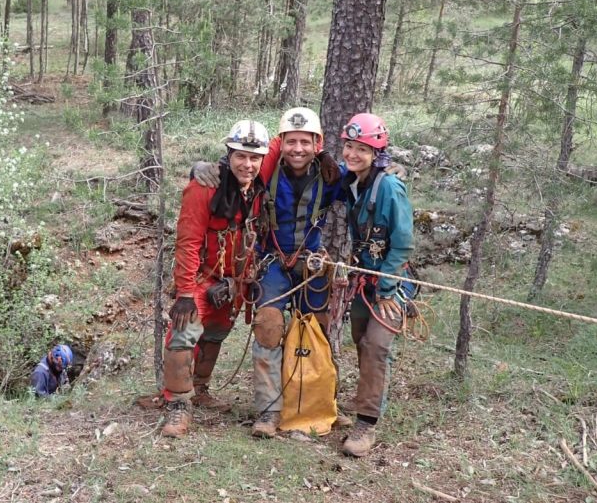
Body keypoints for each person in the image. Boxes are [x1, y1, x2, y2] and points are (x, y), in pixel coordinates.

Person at [195, 107, 346, 438]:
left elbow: (364, 181)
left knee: (316, 331)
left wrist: (386, 167)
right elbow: (237, 167)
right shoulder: (266, 170)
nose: (298, 149)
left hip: (311, 262)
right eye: (291, 141)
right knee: (267, 325)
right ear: (281, 142)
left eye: (305, 142)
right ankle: (269, 411)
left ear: (317, 143)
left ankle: (319, 403)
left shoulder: (332, 174)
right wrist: (203, 167)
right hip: (271, 262)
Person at [160, 119, 271, 438]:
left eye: (254, 158)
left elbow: (294, 145)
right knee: (183, 332)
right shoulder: (205, 187)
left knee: (216, 333)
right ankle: (178, 404)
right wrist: (184, 292)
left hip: (235, 280)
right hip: (201, 277)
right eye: (240, 156)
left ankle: (200, 388)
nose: (247, 164)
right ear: (228, 154)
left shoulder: (259, 185)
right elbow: (188, 241)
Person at [337, 113, 414, 457]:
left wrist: (386, 289)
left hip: (389, 285)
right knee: (360, 340)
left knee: (375, 345)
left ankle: (366, 424)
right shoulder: (351, 180)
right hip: (362, 279)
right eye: (349, 147)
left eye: (362, 149)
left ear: (376, 153)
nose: (353, 154)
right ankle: (369, 398)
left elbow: (403, 244)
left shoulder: (390, 187)